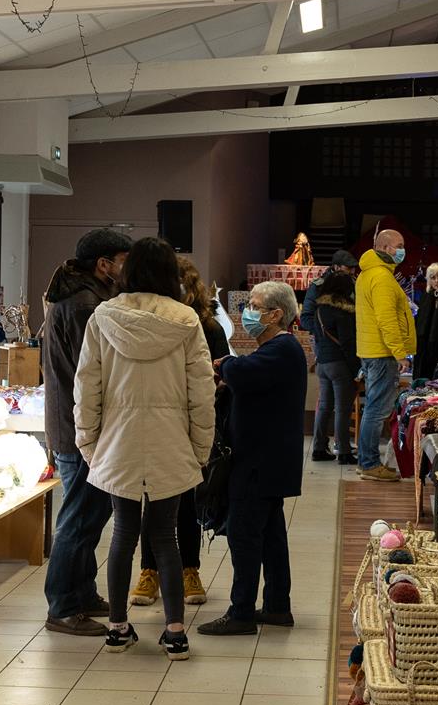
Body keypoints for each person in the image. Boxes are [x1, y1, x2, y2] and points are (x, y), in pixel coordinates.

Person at [73, 236, 215, 660]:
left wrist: (89, 443)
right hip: (172, 441)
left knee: (122, 533)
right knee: (165, 537)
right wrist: (200, 448)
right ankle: (174, 632)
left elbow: (86, 387)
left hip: (118, 441)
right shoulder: (186, 320)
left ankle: (117, 627)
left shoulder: (103, 317)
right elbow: (202, 393)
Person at [200, 281, 309, 636]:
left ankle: (242, 611)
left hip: (259, 462)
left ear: (277, 314)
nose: (249, 311)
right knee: (271, 536)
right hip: (269, 459)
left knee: (245, 536)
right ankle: (277, 605)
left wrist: (225, 364)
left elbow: (243, 372)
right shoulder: (279, 349)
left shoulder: (281, 349)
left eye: (255, 306)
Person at [42, 228, 131, 635]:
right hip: (79, 429)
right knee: (78, 518)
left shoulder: (82, 295)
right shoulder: (83, 304)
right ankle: (62, 605)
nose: (125, 271)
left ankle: (82, 593)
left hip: (77, 425)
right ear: (103, 265)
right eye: (122, 262)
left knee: (90, 515)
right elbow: (92, 373)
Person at [135, 258, 228, 609]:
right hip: (155, 422)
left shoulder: (208, 328)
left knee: (189, 501)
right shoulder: (150, 325)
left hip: (192, 424)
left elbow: (220, 375)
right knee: (152, 500)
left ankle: (190, 569)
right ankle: (149, 571)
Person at [355, 227, 417, 482]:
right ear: (383, 248)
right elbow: (387, 320)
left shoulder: (369, 274)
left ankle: (367, 461)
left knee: (373, 407)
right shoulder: (380, 277)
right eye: (398, 245)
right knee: (376, 409)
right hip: (381, 353)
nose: (402, 250)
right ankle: (369, 463)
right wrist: (399, 353)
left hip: (372, 351)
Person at [311, 257, 359, 463]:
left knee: (324, 407)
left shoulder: (320, 309)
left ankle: (319, 448)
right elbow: (348, 343)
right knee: (342, 409)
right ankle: (344, 451)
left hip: (322, 363)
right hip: (340, 365)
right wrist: (356, 368)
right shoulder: (344, 312)